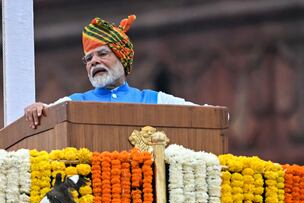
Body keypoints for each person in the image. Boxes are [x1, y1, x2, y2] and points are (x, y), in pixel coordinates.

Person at [25, 15, 195, 129]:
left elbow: (203, 115)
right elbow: (46, 113)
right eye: (89, 58)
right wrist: (39, 109)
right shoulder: (74, 103)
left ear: (122, 58)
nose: (94, 61)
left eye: (102, 54)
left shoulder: (154, 100)